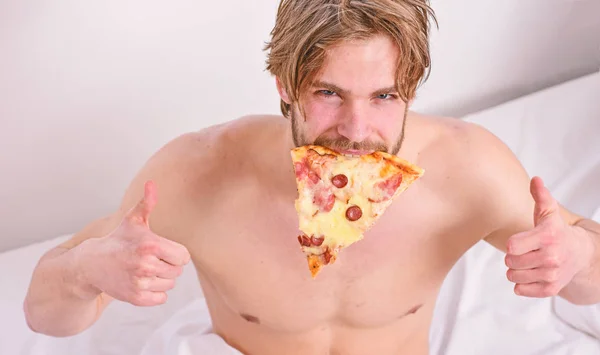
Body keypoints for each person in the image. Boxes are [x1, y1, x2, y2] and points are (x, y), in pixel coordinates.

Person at [23, 1, 600, 354]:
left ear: (411, 91)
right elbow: (44, 317)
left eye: (383, 96)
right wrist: (83, 271)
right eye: (328, 94)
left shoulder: (469, 172)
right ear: (284, 86)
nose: (356, 129)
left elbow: (591, 281)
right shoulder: (197, 174)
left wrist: (575, 256)